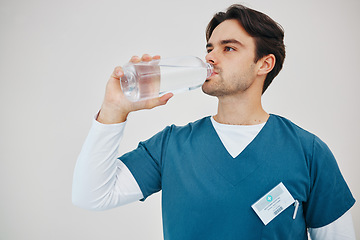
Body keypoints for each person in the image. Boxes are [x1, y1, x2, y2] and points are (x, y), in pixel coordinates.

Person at [72, 4, 356, 240]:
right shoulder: (171, 146)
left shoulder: (309, 152)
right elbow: (91, 195)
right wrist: (113, 109)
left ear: (264, 64)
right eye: (210, 48)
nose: (210, 57)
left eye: (228, 48)